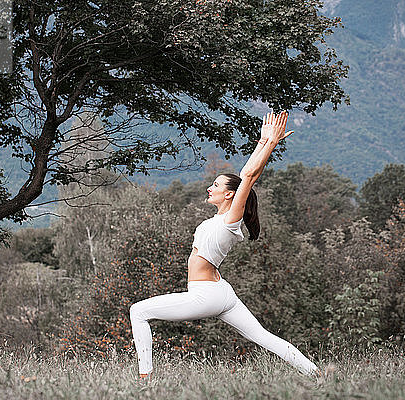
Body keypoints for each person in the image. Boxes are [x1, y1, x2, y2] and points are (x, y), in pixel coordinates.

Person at [129, 111, 319, 378]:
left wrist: (270, 144)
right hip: (221, 292)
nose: (209, 187)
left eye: (215, 185)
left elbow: (249, 176)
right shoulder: (217, 220)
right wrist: (264, 141)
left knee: (138, 311)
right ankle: (317, 374)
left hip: (205, 294)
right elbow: (248, 176)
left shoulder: (231, 219)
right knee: (263, 336)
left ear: (230, 194)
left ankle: (145, 379)